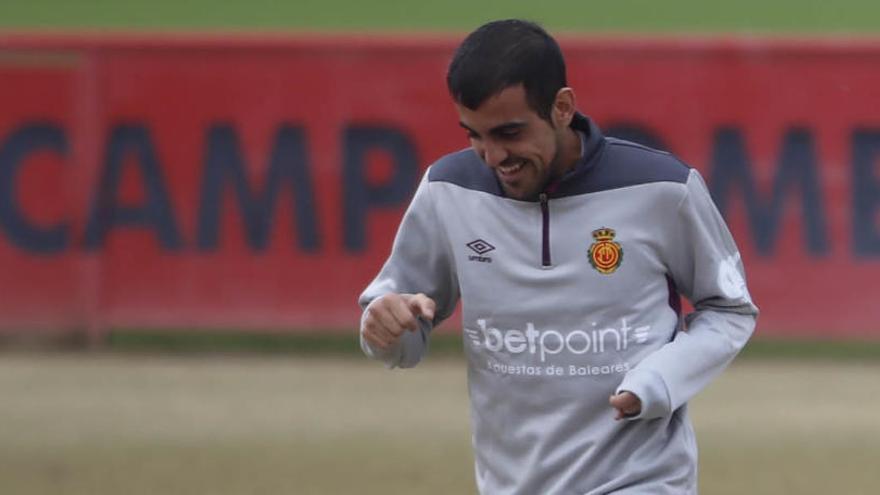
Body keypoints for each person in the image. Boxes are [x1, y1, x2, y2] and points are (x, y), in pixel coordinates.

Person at [358, 19, 757, 495]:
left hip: (643, 480)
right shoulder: (448, 190)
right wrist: (385, 326)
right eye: (475, 135)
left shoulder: (662, 188)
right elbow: (402, 335)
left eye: (509, 132)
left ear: (562, 107)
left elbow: (730, 310)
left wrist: (660, 381)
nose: (492, 155)